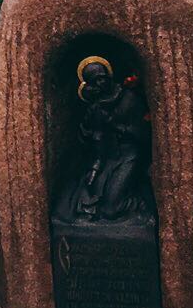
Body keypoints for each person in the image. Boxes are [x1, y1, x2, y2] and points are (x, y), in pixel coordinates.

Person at [52, 55, 156, 226]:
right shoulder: (97, 106)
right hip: (107, 158)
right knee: (90, 190)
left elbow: (144, 134)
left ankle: (141, 209)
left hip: (129, 155)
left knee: (111, 209)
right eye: (95, 81)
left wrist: (119, 127)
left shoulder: (128, 98)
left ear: (109, 76)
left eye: (102, 78)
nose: (100, 84)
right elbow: (92, 138)